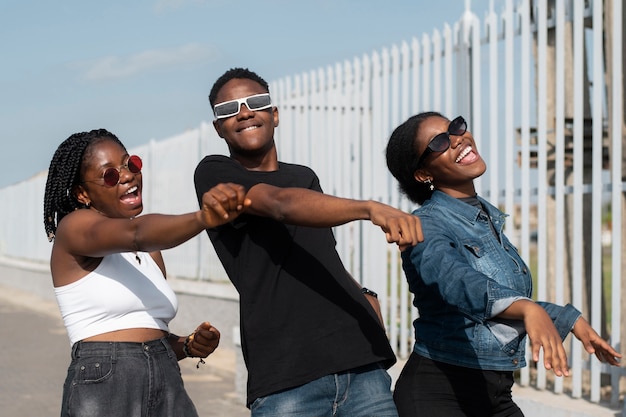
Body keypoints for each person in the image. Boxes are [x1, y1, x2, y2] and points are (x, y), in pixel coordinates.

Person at [193, 67, 424, 416]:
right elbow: (279, 205)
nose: (243, 112)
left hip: (360, 363)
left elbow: (320, 253)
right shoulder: (214, 173)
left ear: (274, 114)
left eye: (254, 102)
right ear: (218, 127)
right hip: (286, 377)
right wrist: (368, 208)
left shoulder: (304, 176)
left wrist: (363, 296)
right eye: (228, 110)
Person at [385, 111, 622, 416]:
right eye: (441, 141)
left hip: (493, 394)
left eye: (456, 128)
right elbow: (457, 283)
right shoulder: (426, 225)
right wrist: (528, 309)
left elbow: (498, 302)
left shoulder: (486, 219)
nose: (458, 139)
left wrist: (569, 320)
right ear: (423, 174)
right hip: (439, 393)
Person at [43, 128, 250, 417]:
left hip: (165, 377)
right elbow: (136, 232)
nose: (127, 175)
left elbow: (151, 340)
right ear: (83, 193)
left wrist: (188, 345)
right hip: (105, 382)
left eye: (131, 164)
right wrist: (204, 218)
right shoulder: (74, 228)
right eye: (110, 175)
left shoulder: (150, 253)